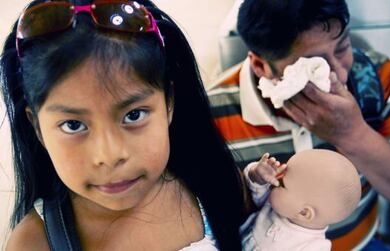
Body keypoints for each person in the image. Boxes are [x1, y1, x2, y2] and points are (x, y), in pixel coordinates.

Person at [1, 0, 248, 250]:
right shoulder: (34, 244)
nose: (110, 155)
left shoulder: (217, 184)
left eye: (134, 115)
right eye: (73, 125)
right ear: (37, 127)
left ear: (169, 102)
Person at [207, 0, 390, 250]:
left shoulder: (381, 80)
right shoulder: (211, 114)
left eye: (342, 48)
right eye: (314, 65)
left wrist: (352, 135)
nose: (339, 74)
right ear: (261, 66)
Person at [242, 149, 361, 251]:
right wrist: (257, 176)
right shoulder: (276, 206)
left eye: (282, 184)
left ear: (303, 212)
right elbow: (255, 190)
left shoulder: (313, 247)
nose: (275, 178)